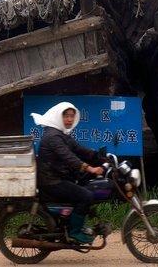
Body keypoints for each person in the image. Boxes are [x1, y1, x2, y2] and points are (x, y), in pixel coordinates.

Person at [31, 101, 104, 244]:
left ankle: (73, 223)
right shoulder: (53, 136)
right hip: (51, 181)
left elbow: (78, 148)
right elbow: (68, 157)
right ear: (58, 117)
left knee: (85, 185)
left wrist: (99, 157)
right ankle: (75, 232)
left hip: (56, 177)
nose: (69, 119)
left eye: (72, 116)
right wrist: (90, 168)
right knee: (86, 196)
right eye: (66, 116)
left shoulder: (61, 134)